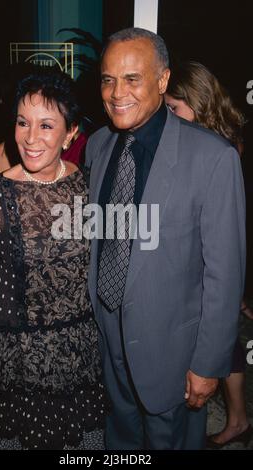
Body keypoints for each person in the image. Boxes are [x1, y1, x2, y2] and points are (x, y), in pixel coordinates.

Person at [85, 27, 246, 450]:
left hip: (172, 354)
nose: (116, 92)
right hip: (108, 343)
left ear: (162, 81)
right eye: (107, 79)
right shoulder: (98, 146)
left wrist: (208, 364)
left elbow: (225, 275)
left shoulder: (212, 158)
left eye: (132, 78)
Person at [0, 68, 108, 450]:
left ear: (71, 133)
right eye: (22, 122)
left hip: (79, 362)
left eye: (46, 126)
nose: (30, 138)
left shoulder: (87, 185)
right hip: (17, 366)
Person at [165, 60, 253, 449]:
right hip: (208, 265)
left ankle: (234, 419)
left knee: (217, 345)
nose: (168, 118)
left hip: (215, 265)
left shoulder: (221, 149)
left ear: (196, 102)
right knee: (224, 345)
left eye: (173, 109)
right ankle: (237, 418)